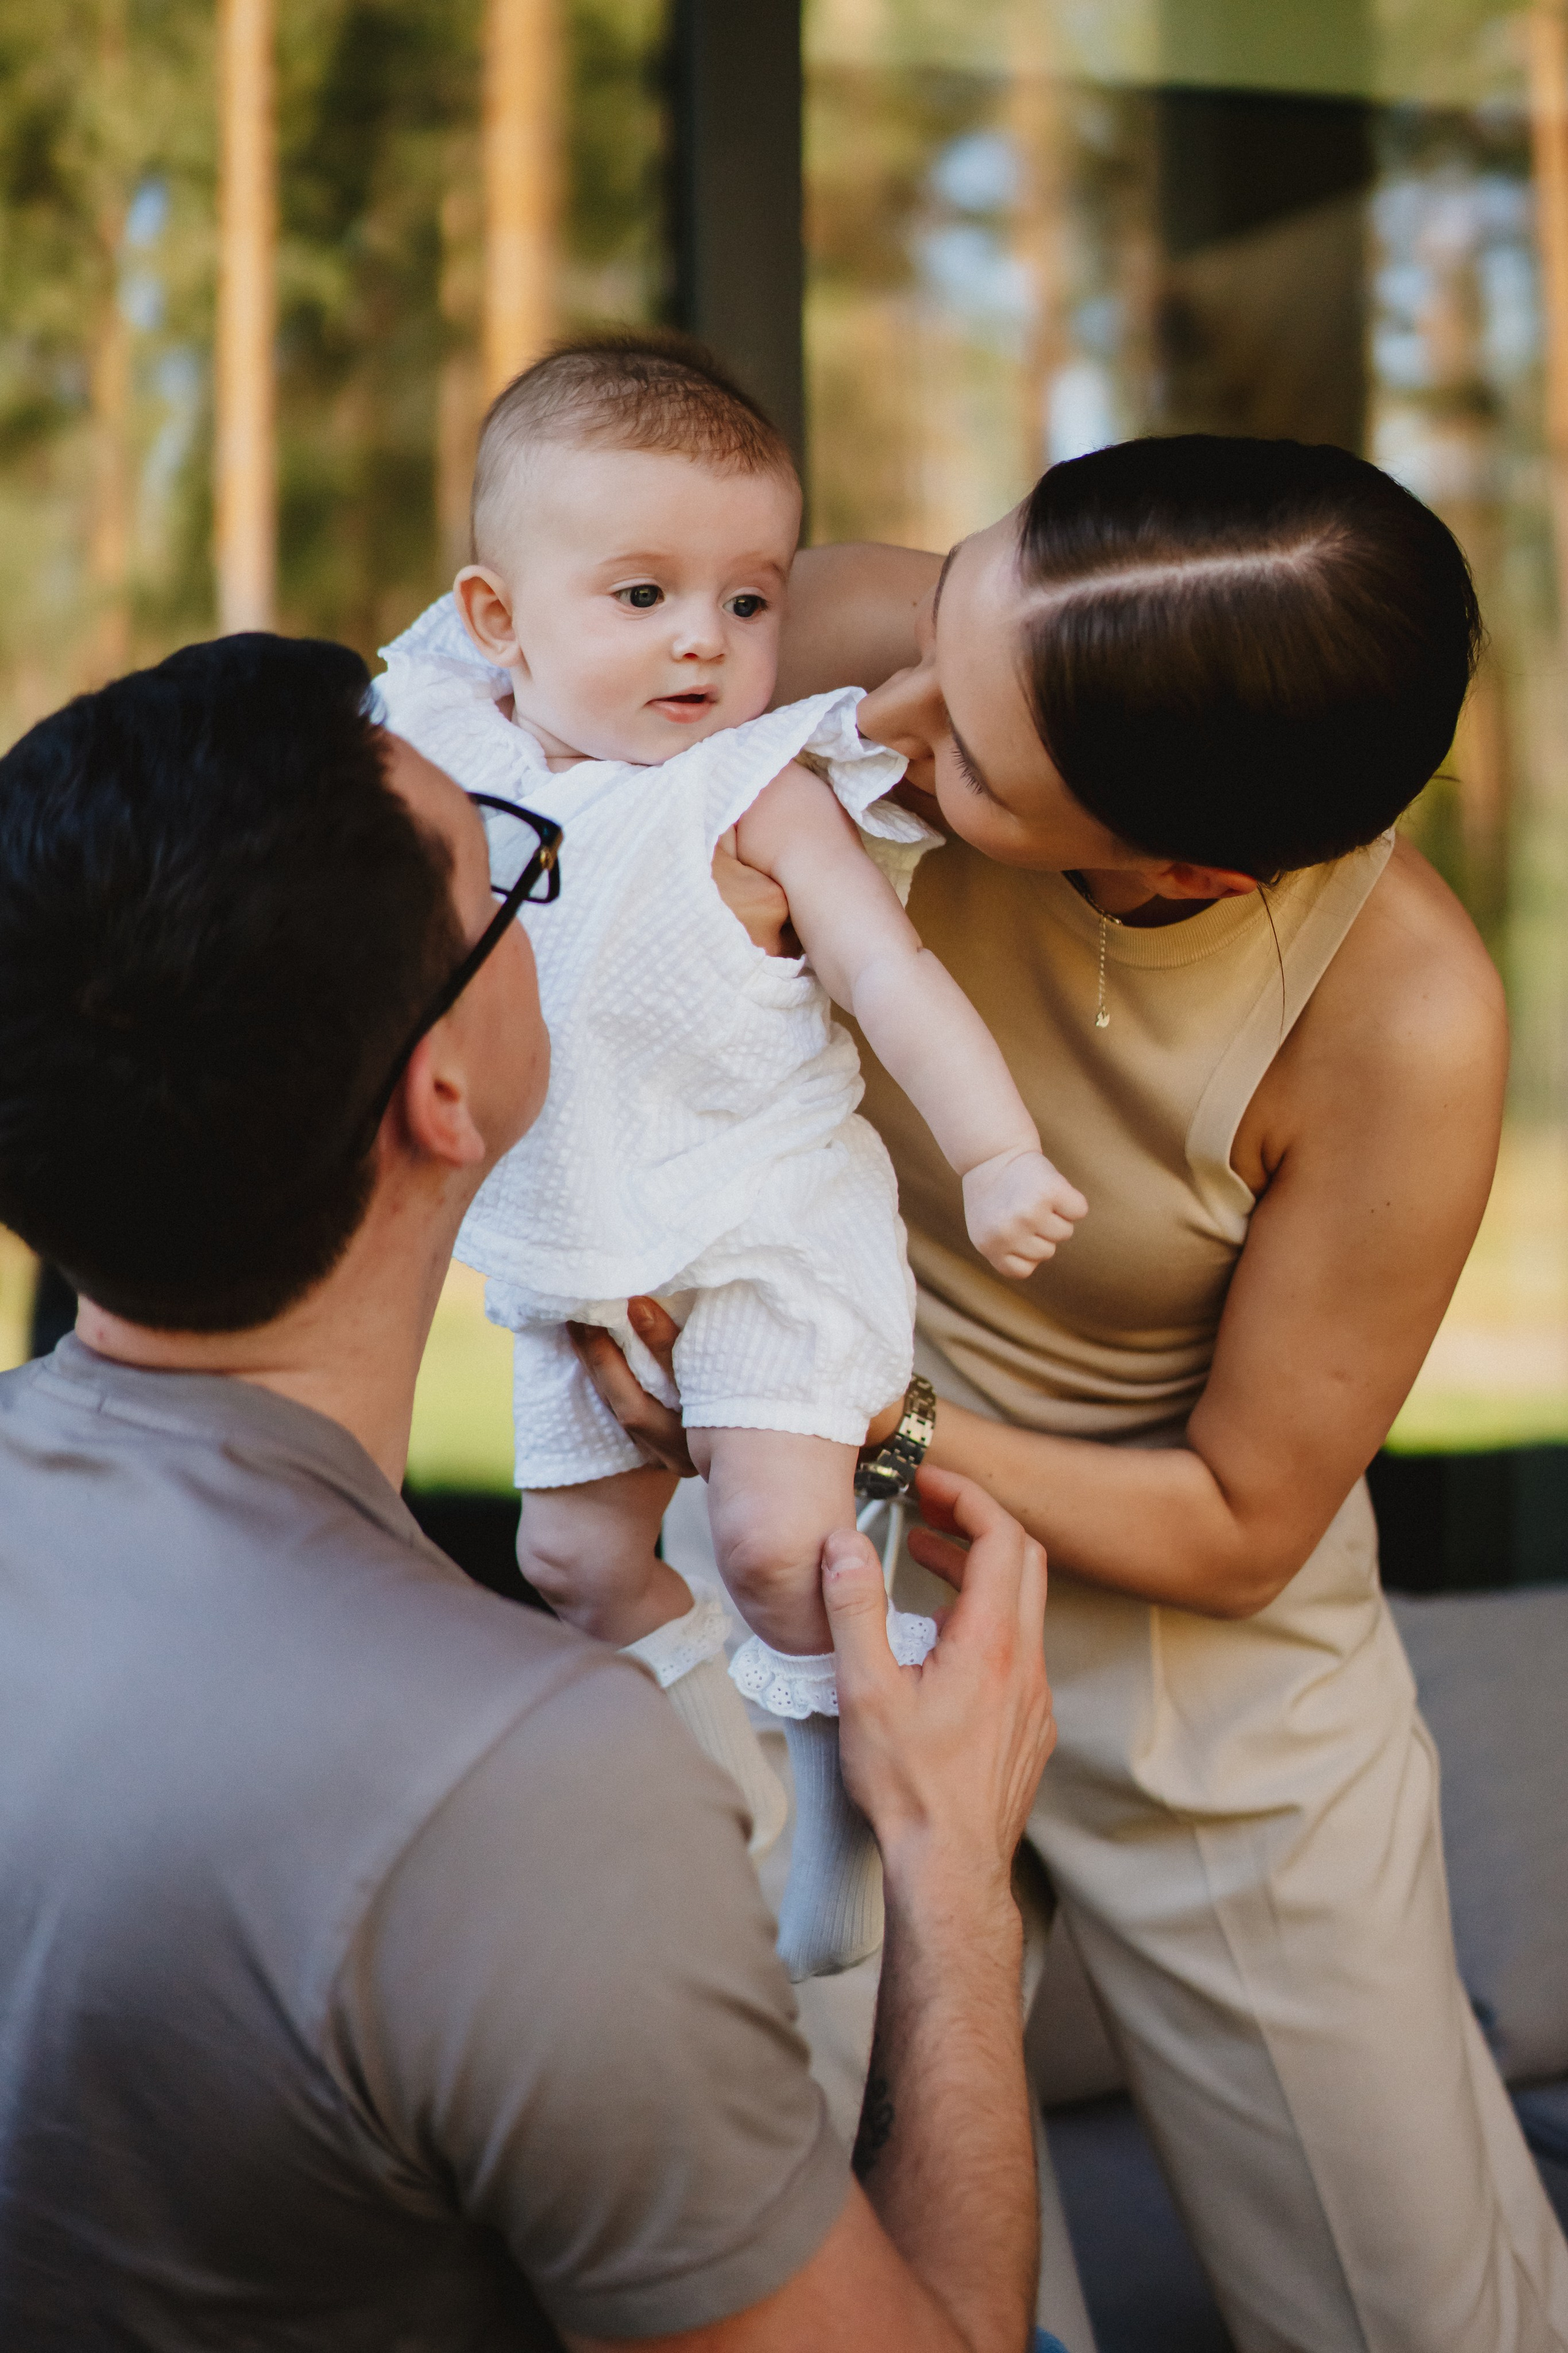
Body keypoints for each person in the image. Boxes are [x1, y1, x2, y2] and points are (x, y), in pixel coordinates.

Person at [578, 436, 1568, 2352]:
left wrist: (878, 1429)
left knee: (1409, 2298)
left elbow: (1242, 1514)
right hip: (805, 1548)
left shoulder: (1402, 1011)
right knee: (815, 2208)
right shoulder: (865, 632)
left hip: (1193, 1630)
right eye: (950, 614)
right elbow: (502, 762)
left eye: (966, 763)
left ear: (1193, 866)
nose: (886, 710)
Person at [0, 632, 1064, 2351]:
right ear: (446, 1091)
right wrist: (952, 1879)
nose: (548, 878)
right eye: (516, 871)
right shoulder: (519, 1778)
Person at [377, 332, 1085, 1981]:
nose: (705, 638)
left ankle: (852, 1797)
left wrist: (990, 1152)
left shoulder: (757, 786)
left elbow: (890, 977)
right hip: (580, 1249)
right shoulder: (444, 744)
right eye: (641, 597)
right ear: (497, 620)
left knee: (776, 1542)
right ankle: (729, 1809)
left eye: (749, 598)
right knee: (570, 1560)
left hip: (768, 1238)